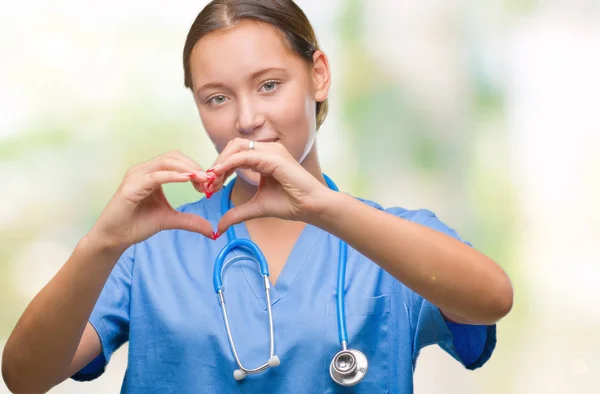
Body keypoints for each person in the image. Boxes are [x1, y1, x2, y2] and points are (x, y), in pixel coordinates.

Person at [1, 0, 513, 393]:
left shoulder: (393, 240)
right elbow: (24, 377)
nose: (245, 119)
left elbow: (492, 299)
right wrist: (101, 243)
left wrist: (325, 208)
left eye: (269, 85)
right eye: (217, 98)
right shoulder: (149, 248)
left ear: (318, 76)